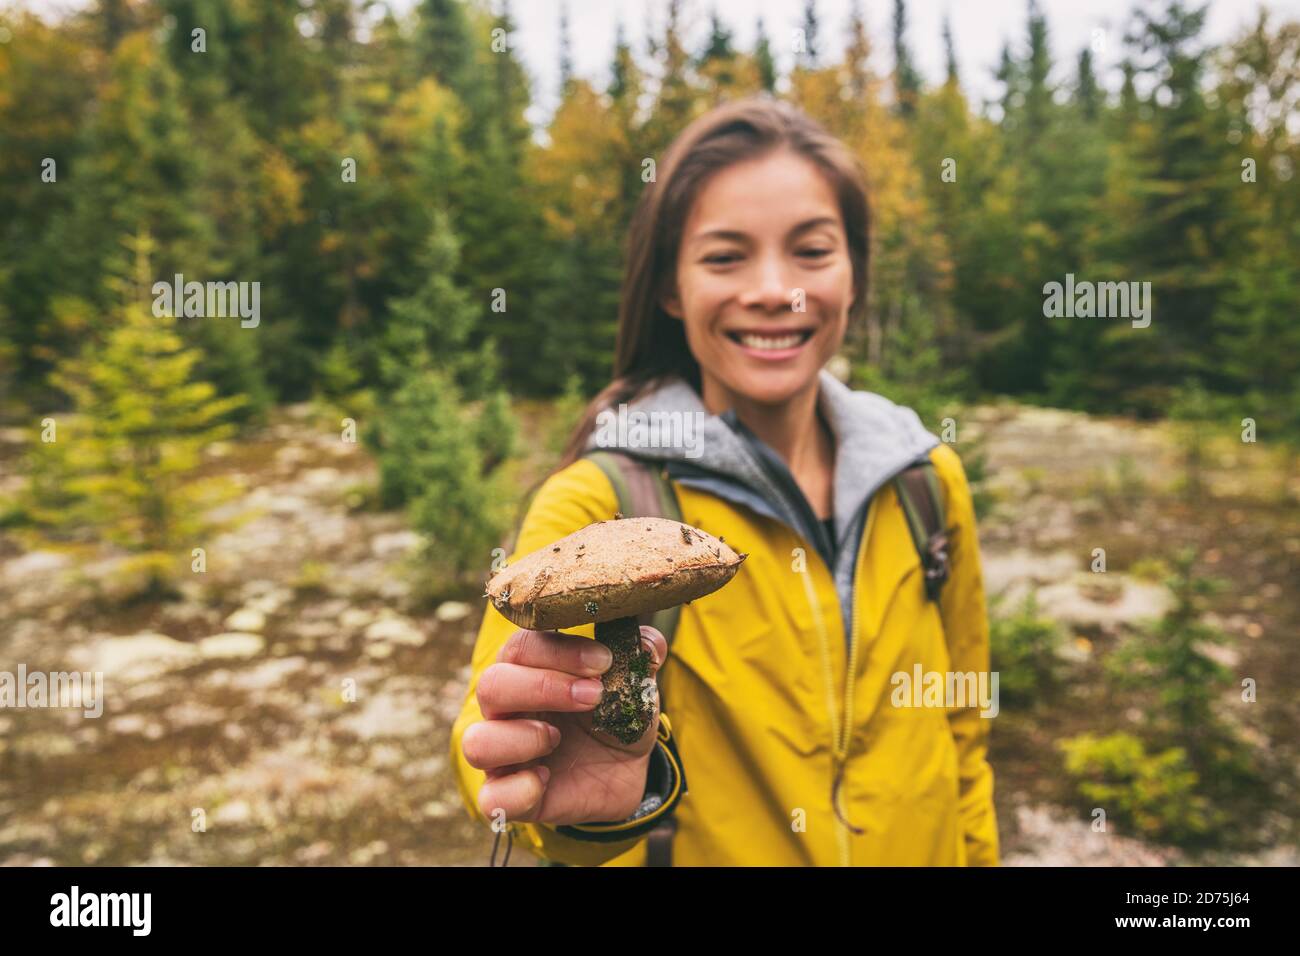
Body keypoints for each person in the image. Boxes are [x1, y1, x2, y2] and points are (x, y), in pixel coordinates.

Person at [450, 96, 999, 866]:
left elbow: (964, 726)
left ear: (855, 272)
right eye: (725, 256)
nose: (776, 289)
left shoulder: (927, 483)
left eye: (812, 250)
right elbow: (492, 740)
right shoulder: (594, 507)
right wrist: (591, 803)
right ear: (671, 289)